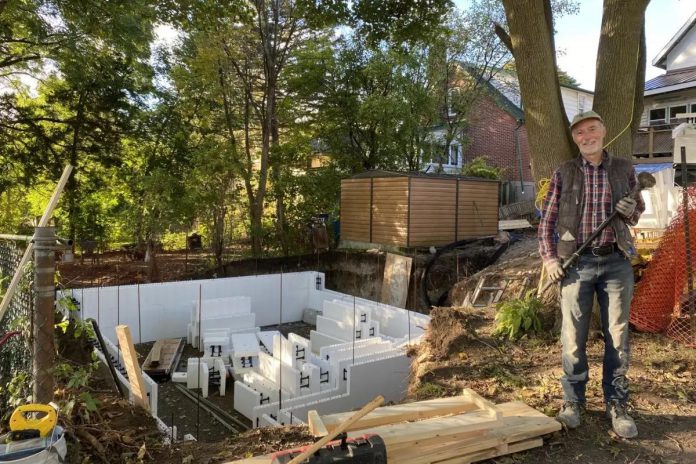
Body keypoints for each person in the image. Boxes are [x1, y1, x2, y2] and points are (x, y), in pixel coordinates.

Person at [538, 110, 645, 439]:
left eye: (592, 129)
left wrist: (631, 211)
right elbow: (547, 221)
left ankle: (617, 402)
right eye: (580, 133)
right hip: (576, 264)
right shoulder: (565, 172)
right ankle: (573, 401)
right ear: (575, 138)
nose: (587, 136)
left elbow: (637, 213)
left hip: (616, 262)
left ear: (603, 131)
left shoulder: (624, 169)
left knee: (618, 337)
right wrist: (550, 258)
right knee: (573, 339)